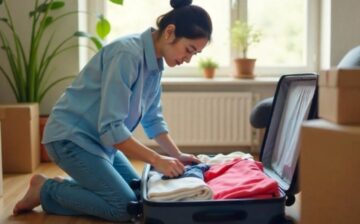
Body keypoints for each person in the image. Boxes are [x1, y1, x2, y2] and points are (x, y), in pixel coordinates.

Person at [13, 0, 212, 222]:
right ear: (170, 32)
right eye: (189, 50)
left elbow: (153, 119)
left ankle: (64, 187)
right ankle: (45, 190)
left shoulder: (155, 66)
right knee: (124, 207)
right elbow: (111, 128)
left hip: (99, 143)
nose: (188, 59)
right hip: (69, 138)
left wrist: (177, 156)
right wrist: (157, 160)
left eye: (195, 54)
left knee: (140, 195)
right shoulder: (127, 54)